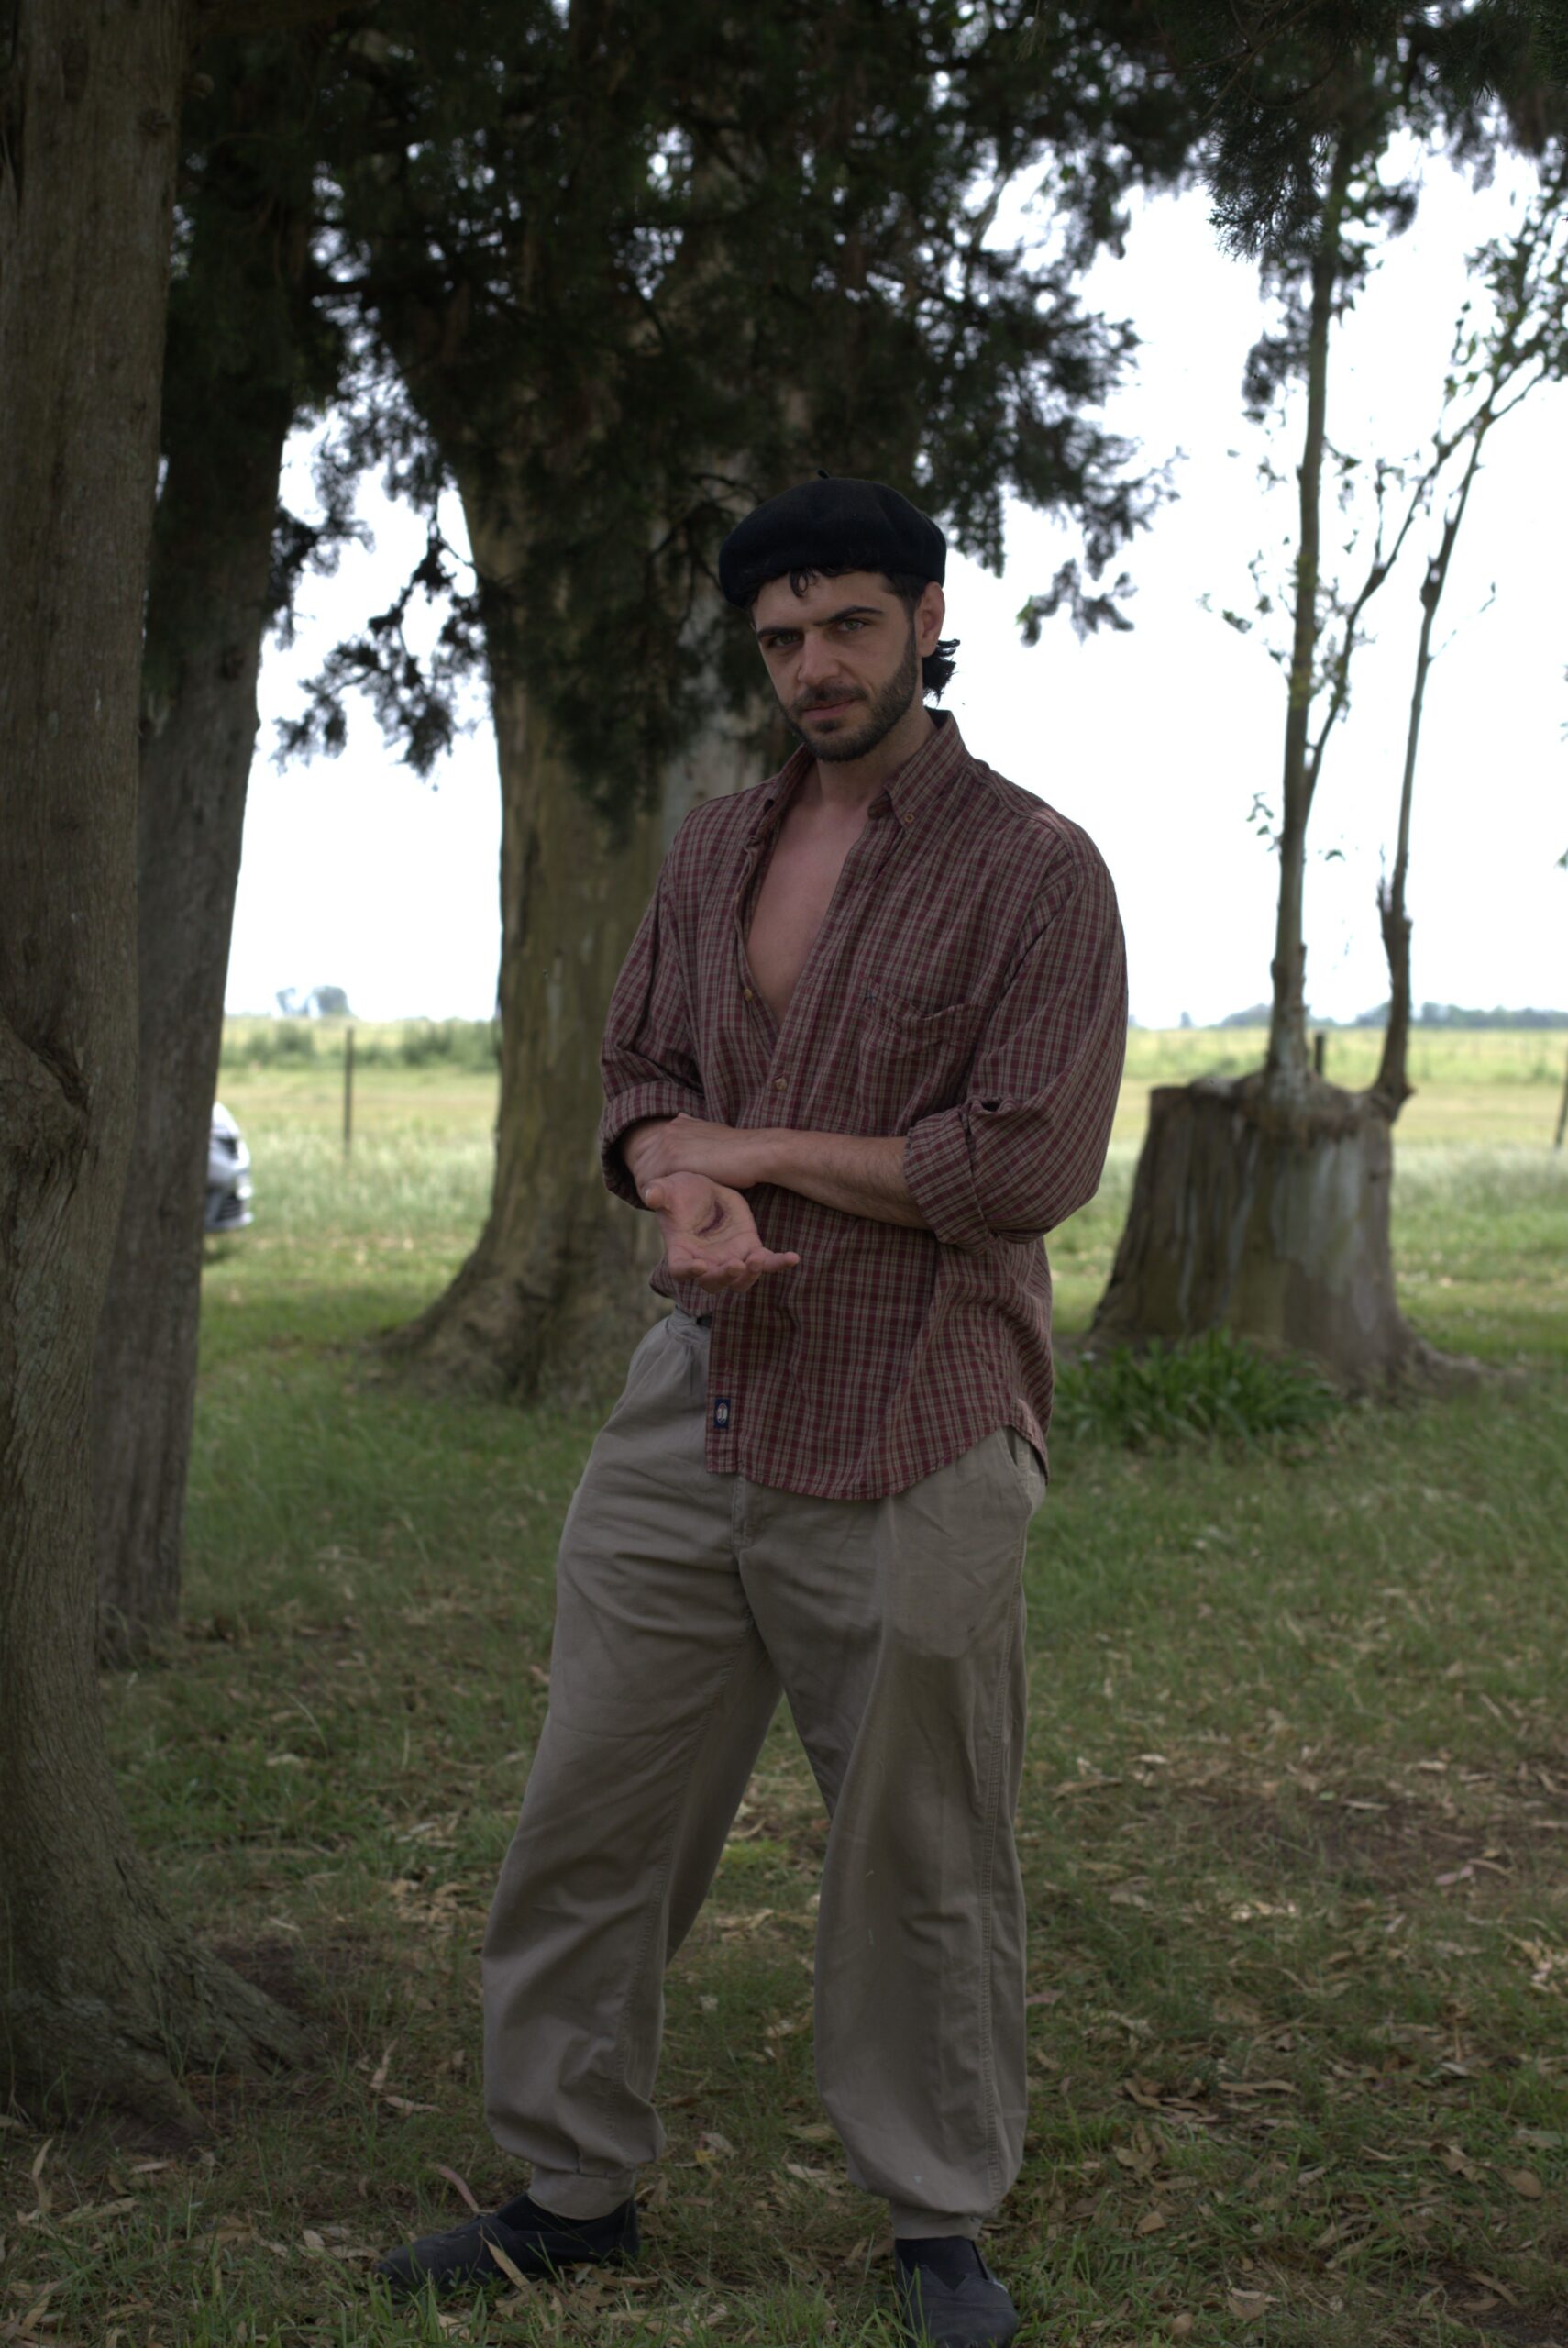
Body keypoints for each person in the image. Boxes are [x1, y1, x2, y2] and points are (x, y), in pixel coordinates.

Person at [377, 476, 1128, 2346]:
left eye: (851, 624)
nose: (815, 664)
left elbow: (1024, 1163)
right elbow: (639, 1076)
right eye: (783, 636)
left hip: (916, 1410)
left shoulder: (1037, 868)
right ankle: (570, 2185)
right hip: (694, 1396)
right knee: (592, 1805)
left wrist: (761, 1149)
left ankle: (937, 2219)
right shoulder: (715, 846)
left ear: (929, 620)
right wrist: (678, 1182)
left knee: (918, 1846)